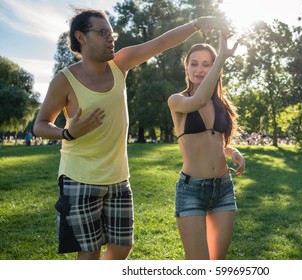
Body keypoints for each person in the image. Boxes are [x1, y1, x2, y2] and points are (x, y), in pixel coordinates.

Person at [33, 8, 229, 260]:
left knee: (122, 248)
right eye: (102, 33)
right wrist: (69, 132)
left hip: (118, 178)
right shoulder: (65, 80)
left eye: (111, 33)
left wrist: (197, 24)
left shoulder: (120, 64)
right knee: (89, 253)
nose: (111, 38)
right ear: (81, 37)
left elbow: (162, 43)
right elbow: (40, 125)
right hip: (79, 178)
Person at [167, 32, 245, 260]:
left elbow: (216, 143)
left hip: (223, 188)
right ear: (186, 68)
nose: (199, 70)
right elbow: (198, 101)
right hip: (192, 190)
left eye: (206, 64)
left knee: (217, 263)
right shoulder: (177, 100)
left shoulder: (221, 105)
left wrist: (234, 152)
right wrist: (221, 57)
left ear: (214, 69)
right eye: (194, 64)